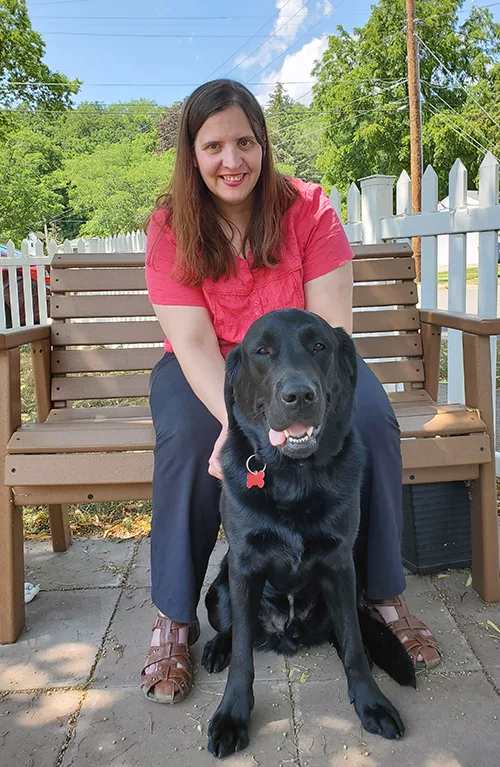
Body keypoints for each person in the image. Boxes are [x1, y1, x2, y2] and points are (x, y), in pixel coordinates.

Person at [142, 79, 441, 704]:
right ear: (192, 155)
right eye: (214, 145)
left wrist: (309, 392)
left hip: (305, 369)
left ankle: (381, 596)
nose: (232, 161)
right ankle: (174, 619)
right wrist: (235, 420)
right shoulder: (172, 227)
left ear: (264, 143)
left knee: (373, 423)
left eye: (245, 142)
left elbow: (330, 330)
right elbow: (194, 344)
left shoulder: (309, 210)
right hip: (210, 368)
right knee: (190, 440)